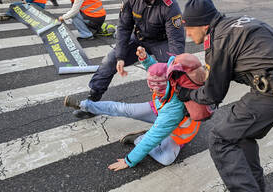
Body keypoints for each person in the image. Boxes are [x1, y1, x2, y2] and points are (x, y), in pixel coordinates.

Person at [176, 0, 273, 191]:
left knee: (220, 139)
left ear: (204, 25)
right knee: (240, 136)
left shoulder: (219, 40)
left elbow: (212, 95)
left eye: (189, 28)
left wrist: (188, 94)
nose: (188, 34)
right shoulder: (236, 23)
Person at [64, 47, 203, 170]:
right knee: (123, 108)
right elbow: (157, 69)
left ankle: (139, 138)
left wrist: (129, 161)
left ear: (165, 86)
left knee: (166, 159)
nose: (150, 88)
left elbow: (153, 138)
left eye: (154, 87)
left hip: (174, 131)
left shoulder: (174, 109)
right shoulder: (173, 76)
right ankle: (84, 104)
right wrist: (146, 59)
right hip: (159, 110)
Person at [72, 0, 186, 118]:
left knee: (173, 69)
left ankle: (182, 103)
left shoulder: (170, 6)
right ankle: (93, 100)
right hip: (138, 38)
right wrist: (120, 56)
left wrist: (173, 64)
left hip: (162, 42)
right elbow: (124, 27)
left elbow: (175, 41)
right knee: (110, 60)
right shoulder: (131, 1)